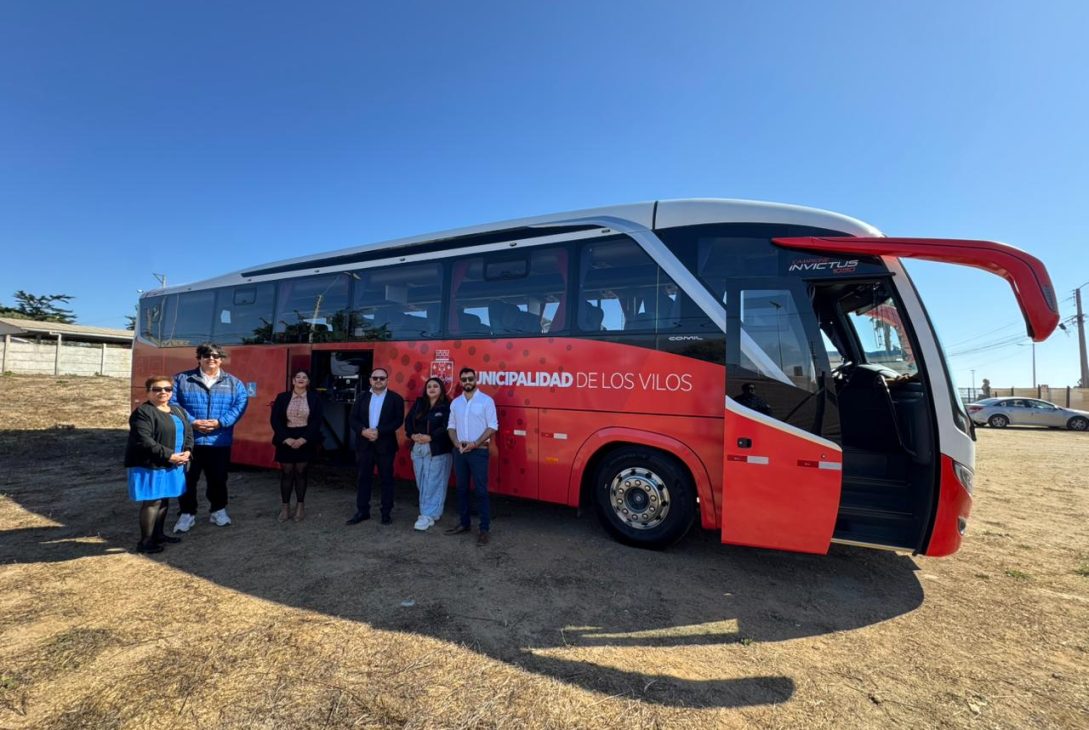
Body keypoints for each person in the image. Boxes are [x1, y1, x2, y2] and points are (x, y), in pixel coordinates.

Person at [170, 343, 249, 532]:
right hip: (190, 440)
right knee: (188, 479)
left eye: (216, 356)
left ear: (221, 359)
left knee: (218, 479)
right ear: (199, 358)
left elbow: (241, 404)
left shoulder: (234, 383)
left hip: (218, 440)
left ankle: (218, 511)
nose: (211, 359)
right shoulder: (182, 379)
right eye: (206, 355)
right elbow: (173, 403)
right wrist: (193, 422)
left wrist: (220, 422)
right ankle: (187, 514)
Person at [124, 376, 193, 553]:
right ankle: (145, 542)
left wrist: (188, 450)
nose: (163, 392)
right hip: (152, 464)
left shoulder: (177, 410)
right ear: (148, 392)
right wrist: (170, 455)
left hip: (174, 463)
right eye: (157, 389)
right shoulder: (143, 412)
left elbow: (188, 432)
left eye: (167, 389)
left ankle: (159, 535)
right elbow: (144, 440)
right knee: (153, 501)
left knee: (165, 500)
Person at [445, 367, 498, 546]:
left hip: (479, 451)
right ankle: (464, 523)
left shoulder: (486, 401)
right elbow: (451, 426)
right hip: (460, 452)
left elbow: (492, 426)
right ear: (460, 382)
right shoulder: (456, 403)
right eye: (464, 379)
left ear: (476, 380)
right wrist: (456, 443)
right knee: (461, 489)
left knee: (481, 491)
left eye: (470, 378)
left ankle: (484, 529)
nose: (467, 382)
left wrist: (475, 443)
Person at [346, 367, 405, 525]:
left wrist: (379, 431)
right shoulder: (361, 397)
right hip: (364, 444)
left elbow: (398, 420)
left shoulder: (396, 399)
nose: (378, 381)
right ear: (370, 380)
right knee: (363, 478)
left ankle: (386, 512)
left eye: (382, 378)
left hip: (385, 445)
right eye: (375, 378)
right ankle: (362, 511)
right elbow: (353, 418)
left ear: (387, 380)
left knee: (386, 480)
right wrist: (363, 431)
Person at [270, 369, 324, 523]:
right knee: (287, 473)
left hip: (306, 438)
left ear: (308, 382)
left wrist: (303, 439)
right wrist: (286, 438)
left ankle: (300, 506)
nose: (301, 379)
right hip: (285, 438)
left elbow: (316, 421)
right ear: (293, 381)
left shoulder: (314, 398)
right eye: (298, 377)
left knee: (301, 472)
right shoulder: (282, 397)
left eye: (304, 377)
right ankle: (285, 507)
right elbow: (275, 420)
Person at [404, 377, 454, 531]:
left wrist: (431, 437)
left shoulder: (447, 406)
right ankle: (433, 513)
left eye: (435, 386)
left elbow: (448, 427)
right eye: (429, 386)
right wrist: (412, 435)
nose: (432, 389)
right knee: (422, 482)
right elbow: (408, 422)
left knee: (434, 483)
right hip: (418, 448)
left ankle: (425, 515)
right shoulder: (420, 404)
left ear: (441, 390)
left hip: (437, 450)